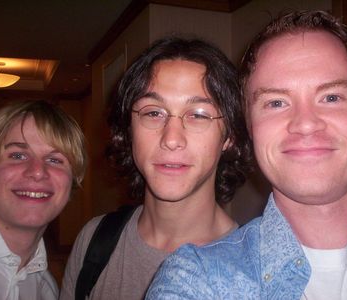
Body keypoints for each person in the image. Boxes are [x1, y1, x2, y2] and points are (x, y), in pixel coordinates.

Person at [146, 10, 347, 299]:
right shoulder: (198, 280)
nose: (306, 123)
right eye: (276, 102)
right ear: (250, 130)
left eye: (331, 97)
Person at [60, 37, 252, 299]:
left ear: (228, 137)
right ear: (129, 130)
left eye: (198, 114)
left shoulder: (252, 270)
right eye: (153, 112)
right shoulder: (94, 240)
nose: (171, 138)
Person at [0, 100, 87, 300]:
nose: (37, 172)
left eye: (54, 160)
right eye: (17, 155)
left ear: (72, 182)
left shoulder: (47, 289)